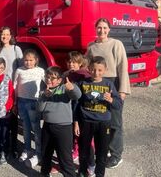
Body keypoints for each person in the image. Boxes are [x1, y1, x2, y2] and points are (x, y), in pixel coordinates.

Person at [86, 18, 130, 169]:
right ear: (95, 29)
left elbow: (123, 67)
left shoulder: (116, 44)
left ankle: (116, 155)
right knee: (101, 121)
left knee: (115, 123)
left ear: (109, 29)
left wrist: (122, 91)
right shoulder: (91, 46)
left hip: (114, 84)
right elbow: (87, 66)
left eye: (105, 28)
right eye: (99, 27)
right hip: (97, 85)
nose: (102, 31)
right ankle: (103, 150)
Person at [75, 56, 122, 177]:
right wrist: (75, 121)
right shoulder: (82, 83)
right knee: (84, 151)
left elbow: (118, 104)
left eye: (100, 70)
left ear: (105, 70)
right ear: (89, 69)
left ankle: (99, 174)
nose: (96, 72)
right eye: (93, 69)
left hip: (103, 123)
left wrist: (111, 100)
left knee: (102, 152)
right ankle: (82, 172)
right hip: (86, 121)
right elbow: (76, 104)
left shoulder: (109, 84)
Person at [38, 66, 81, 177]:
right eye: (47, 77)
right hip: (48, 126)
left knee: (65, 157)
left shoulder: (65, 89)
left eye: (53, 78)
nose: (49, 80)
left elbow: (77, 95)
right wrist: (44, 97)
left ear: (59, 80)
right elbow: (40, 108)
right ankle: (44, 173)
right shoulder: (44, 90)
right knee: (46, 153)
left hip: (64, 128)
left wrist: (72, 88)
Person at [0, 26, 23, 158]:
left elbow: (22, 68)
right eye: (3, 34)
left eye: (7, 34)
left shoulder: (16, 49)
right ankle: (0, 148)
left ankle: (13, 147)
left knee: (12, 121)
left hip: (12, 88)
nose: (5, 37)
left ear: (11, 36)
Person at [13, 49, 44, 168]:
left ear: (36, 60)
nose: (28, 62)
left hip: (34, 103)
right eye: (26, 60)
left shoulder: (40, 70)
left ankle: (38, 152)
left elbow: (48, 83)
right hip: (21, 101)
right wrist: (15, 103)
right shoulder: (19, 70)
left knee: (36, 129)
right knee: (25, 127)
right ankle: (27, 149)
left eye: (31, 60)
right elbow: (15, 86)